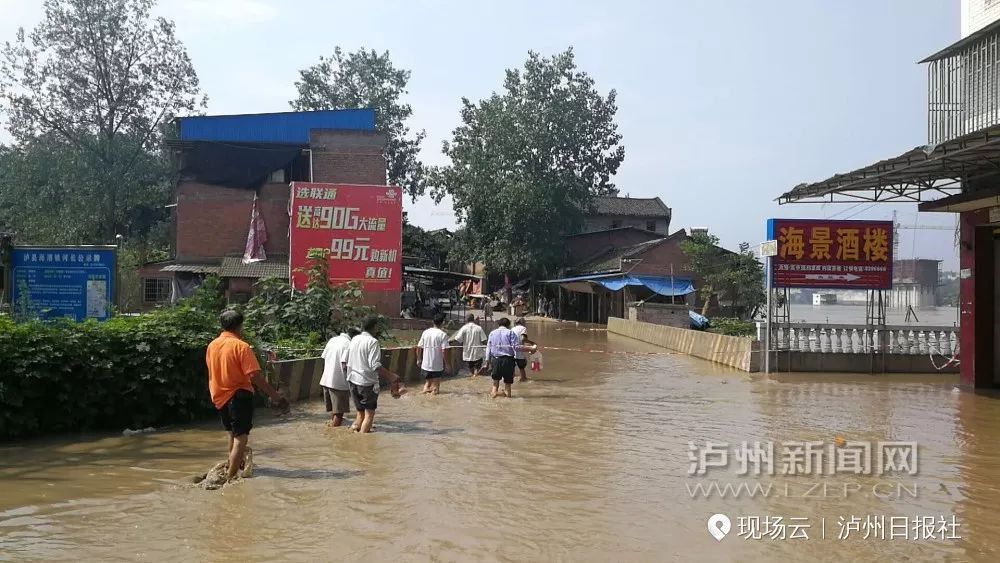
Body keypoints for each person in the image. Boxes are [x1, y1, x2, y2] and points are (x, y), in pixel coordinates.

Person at [205, 310, 288, 482]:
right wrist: (275, 396)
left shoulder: (212, 345)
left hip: (219, 396)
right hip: (238, 396)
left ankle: (231, 465)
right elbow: (254, 376)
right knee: (241, 437)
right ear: (240, 325)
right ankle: (231, 478)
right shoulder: (241, 347)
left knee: (232, 434)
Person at [346, 315, 406, 433]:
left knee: (360, 412)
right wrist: (391, 376)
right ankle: (362, 444)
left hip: (353, 380)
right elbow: (375, 365)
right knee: (369, 415)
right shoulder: (372, 342)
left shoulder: (354, 339)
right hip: (366, 383)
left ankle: (354, 435)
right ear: (374, 327)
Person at [319, 327, 360, 427]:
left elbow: (324, 357)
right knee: (339, 414)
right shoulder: (349, 344)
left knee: (335, 411)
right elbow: (345, 365)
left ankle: (331, 428)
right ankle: (334, 434)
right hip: (339, 382)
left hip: (326, 380)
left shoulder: (332, 340)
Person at [485, 317, 521, 398]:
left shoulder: (492, 333)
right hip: (508, 361)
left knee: (495, 384)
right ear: (508, 325)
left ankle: (494, 394)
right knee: (508, 386)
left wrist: (487, 361)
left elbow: (488, 348)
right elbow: (516, 348)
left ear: (499, 324)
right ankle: (502, 395)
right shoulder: (510, 333)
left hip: (496, 360)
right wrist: (529, 349)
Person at [417, 313, 451, 394]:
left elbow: (419, 347)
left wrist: (418, 359)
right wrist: (447, 364)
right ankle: (433, 404)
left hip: (425, 365)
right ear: (442, 323)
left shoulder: (425, 332)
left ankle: (424, 401)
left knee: (427, 384)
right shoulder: (443, 335)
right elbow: (444, 351)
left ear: (433, 322)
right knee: (435, 388)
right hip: (437, 366)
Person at [511, 317, 537, 382]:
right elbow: (523, 339)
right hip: (519, 351)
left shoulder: (512, 329)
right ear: (522, 322)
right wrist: (532, 343)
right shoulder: (523, 328)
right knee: (521, 368)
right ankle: (523, 380)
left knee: (512, 369)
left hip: (511, 351)